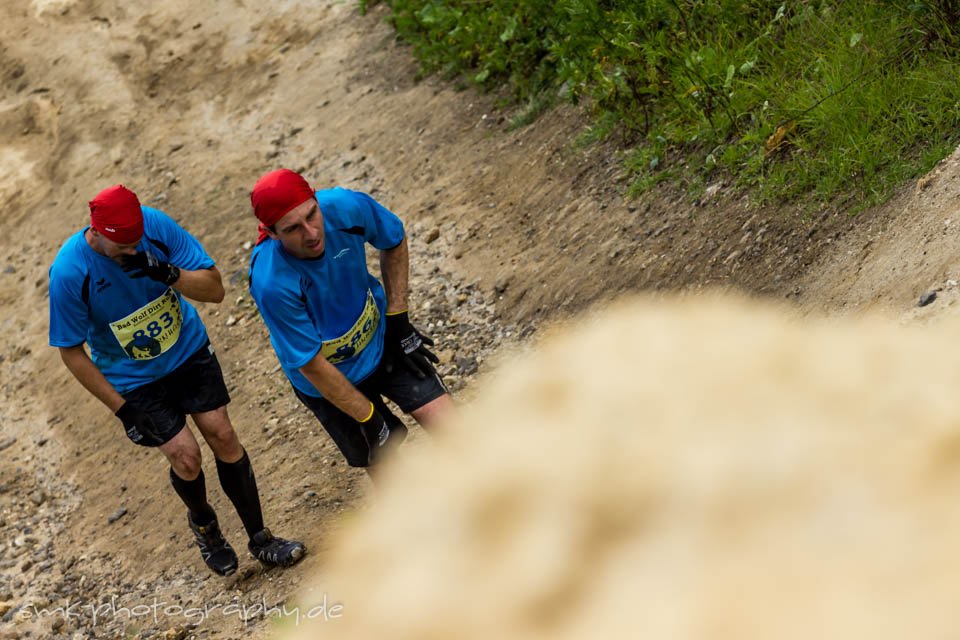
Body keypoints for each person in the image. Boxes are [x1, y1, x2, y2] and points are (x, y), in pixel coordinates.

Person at [48, 184, 305, 577]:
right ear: (95, 232)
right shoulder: (70, 272)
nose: (132, 252)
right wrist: (123, 410)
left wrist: (167, 272)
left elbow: (215, 289)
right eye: (122, 247)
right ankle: (205, 526)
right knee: (186, 457)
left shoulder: (156, 228)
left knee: (222, 433)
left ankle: (261, 538)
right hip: (133, 378)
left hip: (187, 350)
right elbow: (70, 350)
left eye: (136, 242)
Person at [247, 169, 455, 480]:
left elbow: (394, 239)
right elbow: (311, 364)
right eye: (293, 229)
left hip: (380, 341)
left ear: (316, 198)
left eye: (312, 214)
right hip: (327, 380)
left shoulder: (346, 207)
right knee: (391, 478)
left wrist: (398, 318)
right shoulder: (270, 282)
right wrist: (369, 417)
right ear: (272, 233)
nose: (312, 233)